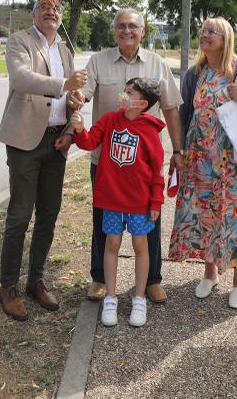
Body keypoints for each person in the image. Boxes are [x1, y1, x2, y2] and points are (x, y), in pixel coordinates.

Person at [59, 8, 183, 305]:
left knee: (149, 221)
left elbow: (170, 109)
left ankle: (152, 280)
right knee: (104, 221)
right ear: (114, 31)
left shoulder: (157, 64)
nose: (126, 31)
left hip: (144, 167)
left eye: (133, 26)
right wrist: (73, 111)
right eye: (120, 26)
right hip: (106, 163)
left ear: (143, 31)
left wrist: (178, 151)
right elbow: (82, 97)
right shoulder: (98, 61)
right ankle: (100, 278)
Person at [169, 16, 237, 309]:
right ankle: (210, 272)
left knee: (236, 216)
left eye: (211, 31)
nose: (204, 35)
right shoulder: (195, 73)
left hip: (235, 164)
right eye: (202, 31)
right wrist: (179, 151)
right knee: (206, 214)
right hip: (201, 159)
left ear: (225, 38)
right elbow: (185, 113)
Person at [0, 0, 88, 321]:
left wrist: (72, 117)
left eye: (58, 9)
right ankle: (8, 286)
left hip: (57, 142)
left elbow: (70, 98)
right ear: (34, 13)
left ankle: (35, 280)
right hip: (25, 141)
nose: (52, 12)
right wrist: (65, 84)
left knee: (49, 214)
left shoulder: (64, 50)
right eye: (45, 7)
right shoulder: (20, 41)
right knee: (20, 215)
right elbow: (22, 79)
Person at [70, 77, 165, 327]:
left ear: (142, 103)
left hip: (140, 203)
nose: (123, 94)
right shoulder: (110, 120)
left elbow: (157, 171)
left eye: (129, 92)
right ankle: (110, 298)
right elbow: (89, 142)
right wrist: (79, 129)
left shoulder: (151, 131)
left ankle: (139, 298)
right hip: (111, 200)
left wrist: (156, 201)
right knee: (111, 243)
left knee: (140, 246)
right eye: (124, 90)